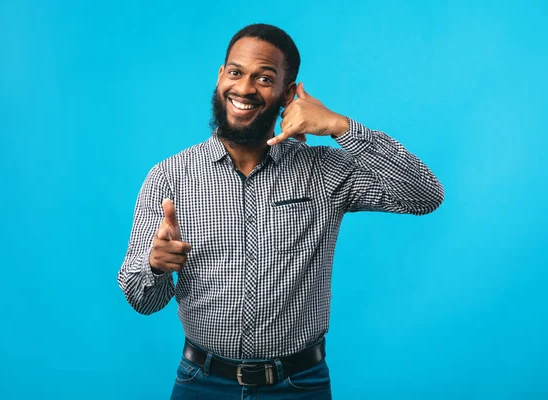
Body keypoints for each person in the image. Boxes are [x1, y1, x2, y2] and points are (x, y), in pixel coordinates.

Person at [117, 23, 444, 399]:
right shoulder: (169, 177)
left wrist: (340, 126)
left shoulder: (322, 171)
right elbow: (142, 300)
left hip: (299, 385)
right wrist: (156, 266)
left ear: (288, 94)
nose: (244, 88)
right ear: (221, 76)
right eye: (236, 72)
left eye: (264, 78)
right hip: (201, 382)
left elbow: (424, 195)